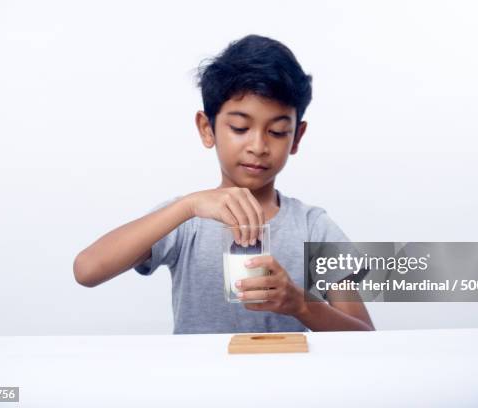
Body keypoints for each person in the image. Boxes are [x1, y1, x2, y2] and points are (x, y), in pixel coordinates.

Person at [73, 34, 374, 334]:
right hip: (201, 381)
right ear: (207, 129)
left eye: (278, 131)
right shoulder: (187, 219)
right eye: (240, 127)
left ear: (297, 137)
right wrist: (188, 206)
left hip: (288, 381)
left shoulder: (313, 227)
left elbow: (365, 336)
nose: (258, 145)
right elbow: (87, 270)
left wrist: (301, 304)